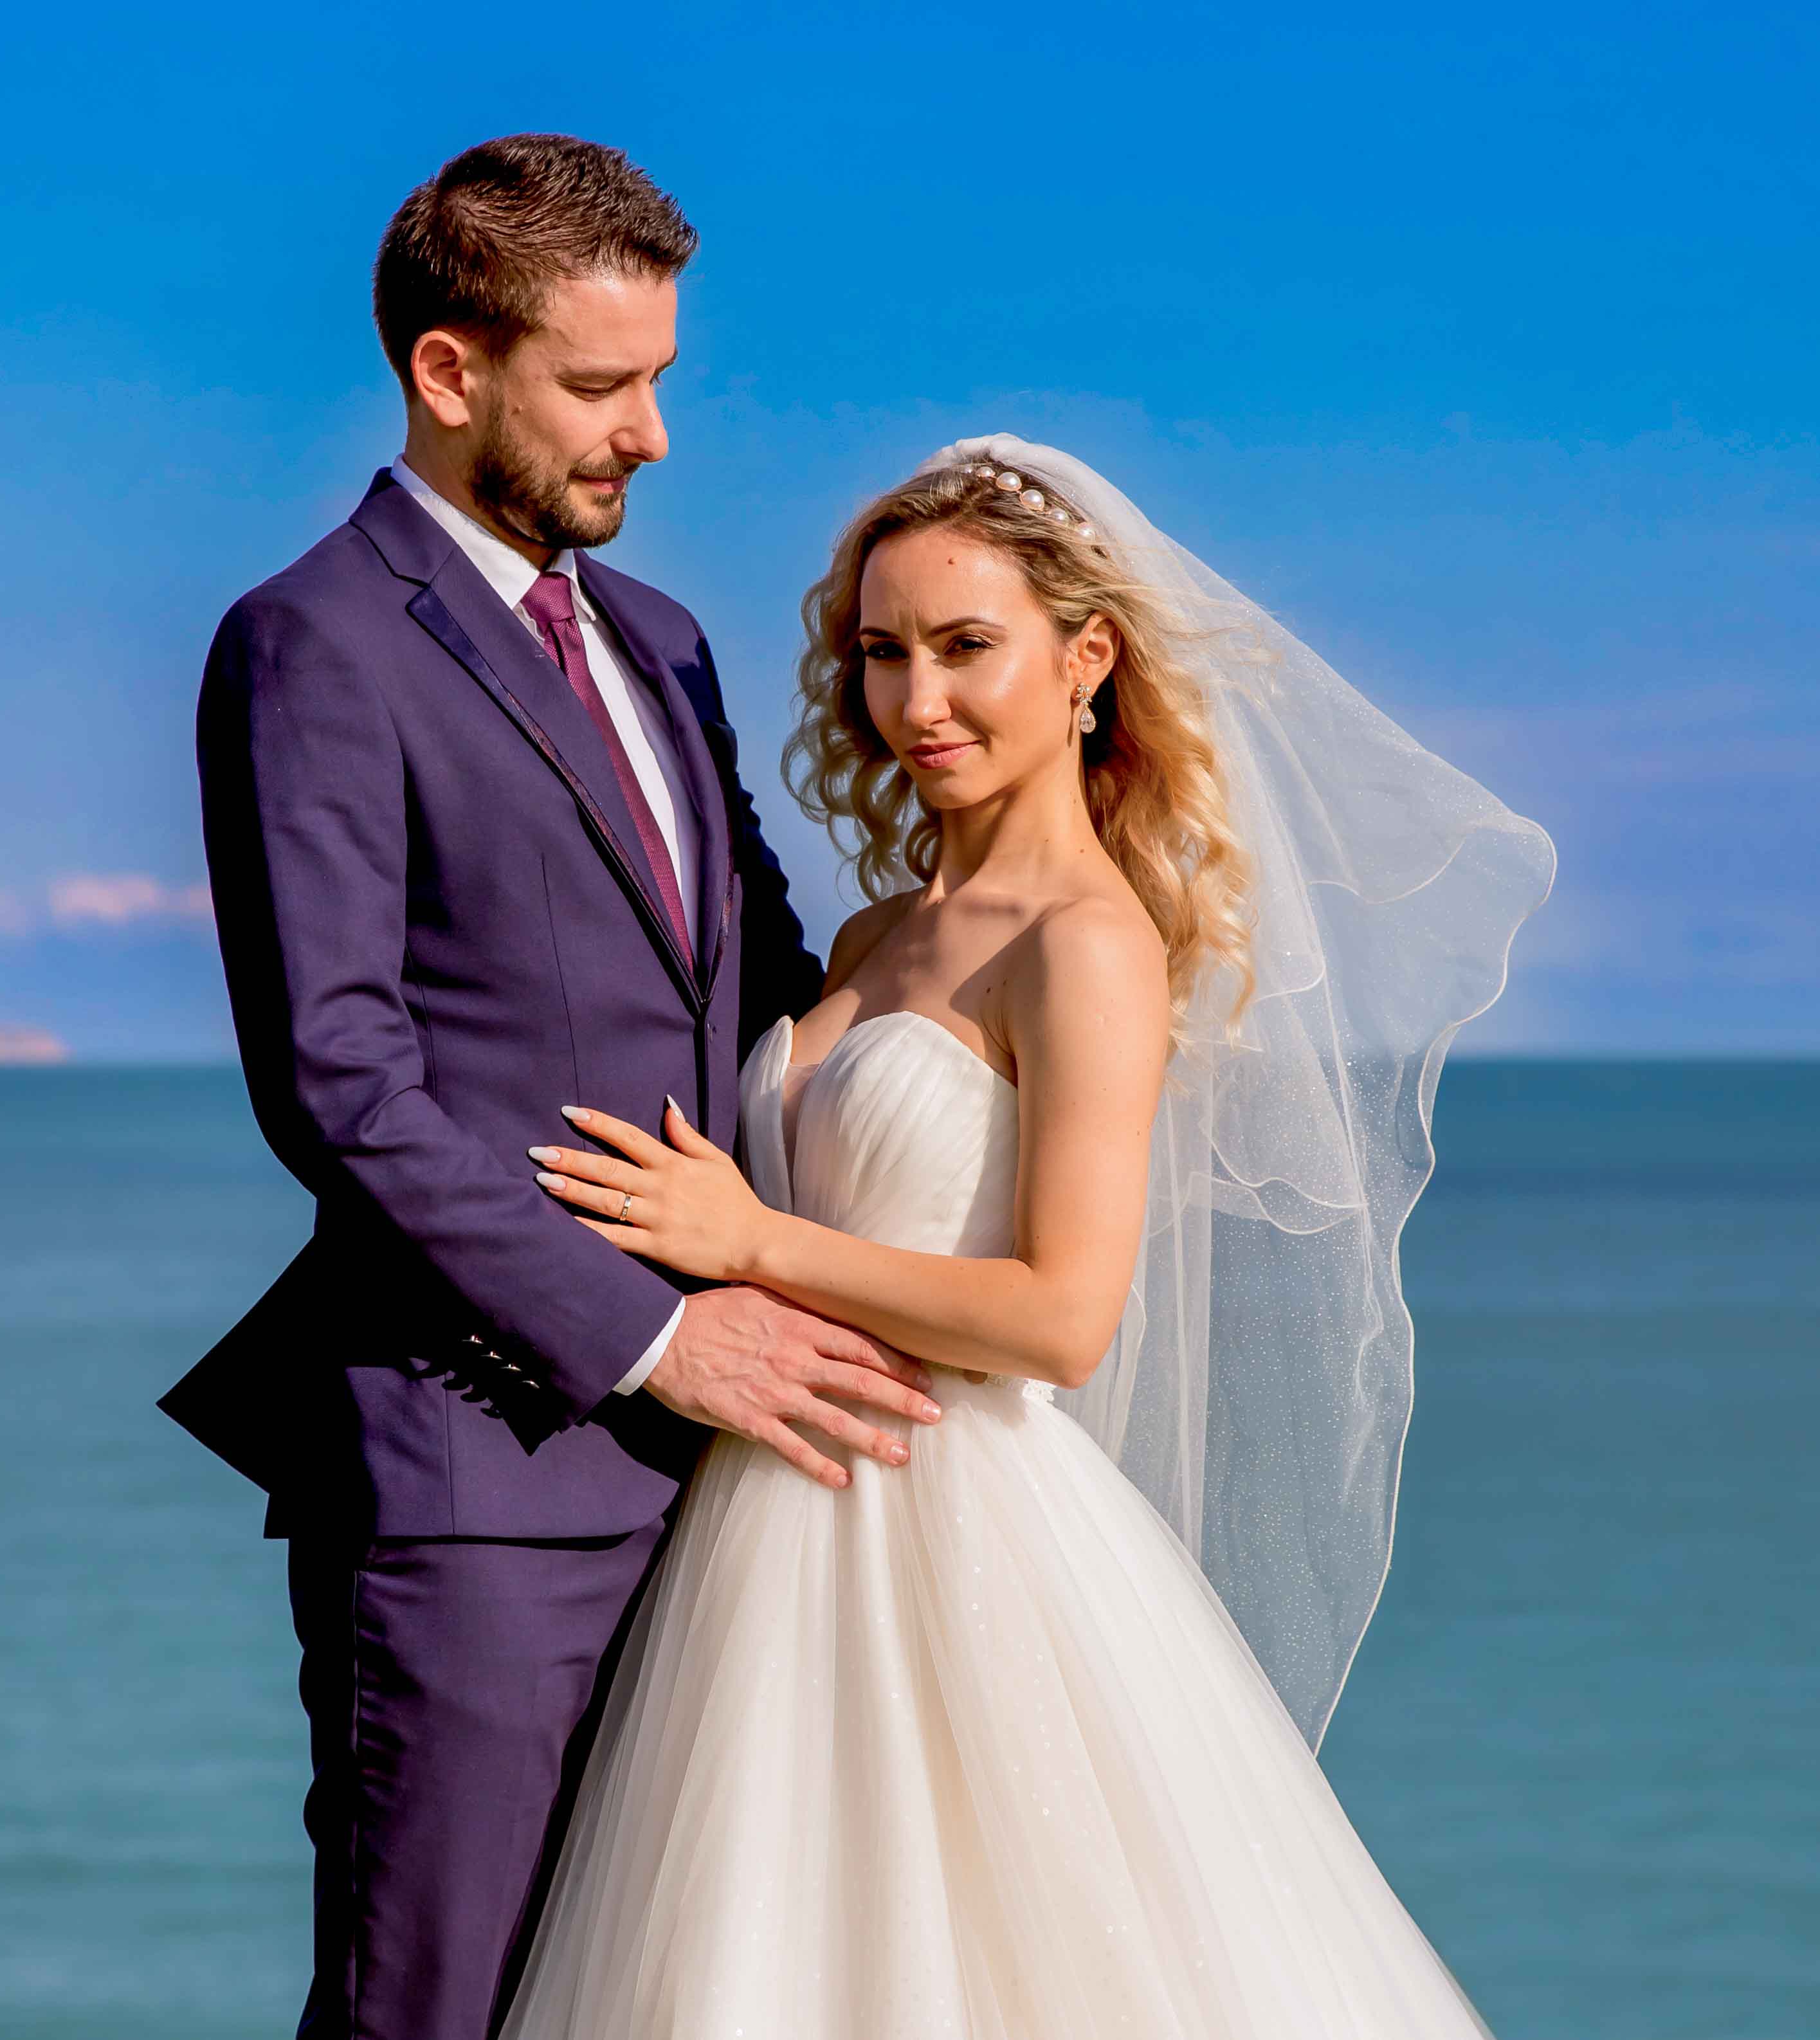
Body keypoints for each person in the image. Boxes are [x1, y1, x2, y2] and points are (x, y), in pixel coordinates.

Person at [500, 436, 1553, 2037]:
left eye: (966, 646)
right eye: (881, 651)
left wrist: (747, 1241)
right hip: (764, 1524)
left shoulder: (1088, 945)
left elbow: (1063, 1315)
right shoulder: (871, 934)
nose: (918, 700)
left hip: (958, 1526)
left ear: (1088, 659)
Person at [160, 135, 943, 2040]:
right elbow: (337, 1081)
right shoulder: (310, 642)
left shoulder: (663, 647)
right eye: (600, 386)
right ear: (449, 371)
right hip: (472, 1478)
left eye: (660, 377)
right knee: (443, 2008)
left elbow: (755, 996)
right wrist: (648, 1340)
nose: (652, 434)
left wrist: (1017, 948)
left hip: (737, 1486)